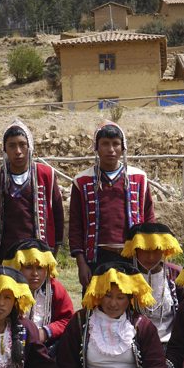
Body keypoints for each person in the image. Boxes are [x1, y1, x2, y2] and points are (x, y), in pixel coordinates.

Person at [69, 120, 155, 288]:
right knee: (96, 306)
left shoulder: (139, 178)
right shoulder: (82, 181)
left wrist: (149, 255)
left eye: (116, 144)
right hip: (96, 257)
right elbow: (75, 225)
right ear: (96, 147)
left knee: (132, 306)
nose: (110, 149)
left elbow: (149, 219)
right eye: (104, 144)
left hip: (133, 256)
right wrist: (81, 264)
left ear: (123, 148)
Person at [0, 119, 64, 267]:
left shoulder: (45, 175)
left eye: (22, 145)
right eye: (11, 146)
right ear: (4, 149)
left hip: (38, 253)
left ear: (29, 146)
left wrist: (54, 251)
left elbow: (57, 214)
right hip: (3, 255)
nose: (18, 151)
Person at [121, 222, 184, 352]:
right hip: (133, 343)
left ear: (164, 249)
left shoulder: (176, 275)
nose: (150, 257)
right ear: (135, 249)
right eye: (145, 250)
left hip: (171, 344)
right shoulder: (124, 276)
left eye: (156, 250)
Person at [2, 238, 73, 357]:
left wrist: (45, 332)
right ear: (17, 267)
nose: (35, 273)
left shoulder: (54, 288)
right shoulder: (7, 290)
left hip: (48, 346)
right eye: (28, 267)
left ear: (47, 268)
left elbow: (67, 320)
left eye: (40, 268)